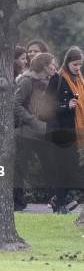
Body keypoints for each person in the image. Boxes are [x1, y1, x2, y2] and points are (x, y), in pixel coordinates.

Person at [14, 53, 56, 211]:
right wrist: (33, 121)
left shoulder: (51, 80)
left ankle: (57, 200)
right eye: (52, 64)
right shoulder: (26, 81)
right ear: (44, 66)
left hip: (45, 132)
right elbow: (16, 104)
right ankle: (17, 202)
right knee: (20, 167)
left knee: (51, 166)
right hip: (27, 133)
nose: (54, 66)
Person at [45, 47, 84, 214]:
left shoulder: (80, 79)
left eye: (80, 65)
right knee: (64, 168)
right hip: (61, 131)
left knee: (72, 168)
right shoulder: (58, 79)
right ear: (67, 62)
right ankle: (59, 203)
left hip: (76, 130)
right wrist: (65, 106)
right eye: (75, 64)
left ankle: (58, 200)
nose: (77, 68)